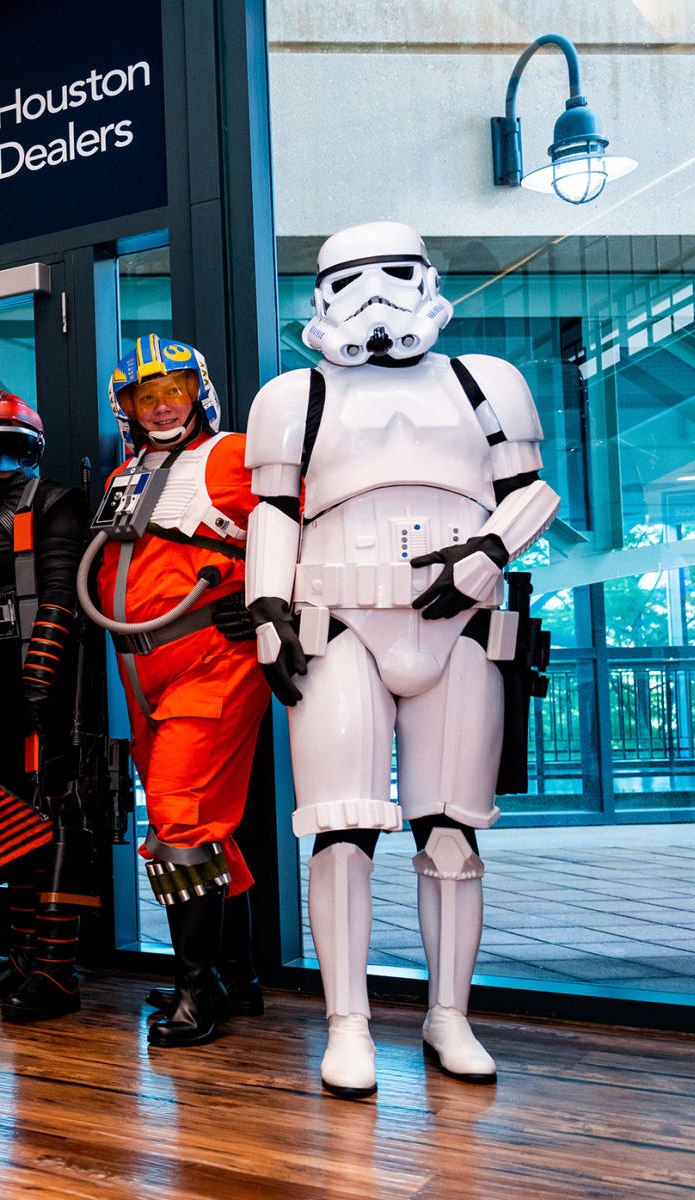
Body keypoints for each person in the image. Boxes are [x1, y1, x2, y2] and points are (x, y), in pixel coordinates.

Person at [244, 222, 557, 1098]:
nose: (376, 298)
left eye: (394, 276)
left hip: (458, 627)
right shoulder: (292, 397)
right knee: (340, 832)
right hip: (340, 621)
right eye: (354, 280)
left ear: (426, 281)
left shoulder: (483, 383)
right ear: (322, 295)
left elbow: (529, 491)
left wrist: (487, 554)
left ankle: (448, 1014)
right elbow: (271, 507)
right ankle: (348, 1022)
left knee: (450, 832)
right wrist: (267, 607)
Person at [75, 335, 266, 1049]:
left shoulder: (231, 455)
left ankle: (196, 991)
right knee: (200, 820)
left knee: (180, 818)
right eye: (143, 397)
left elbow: (299, 524)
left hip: (210, 657)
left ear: (200, 393)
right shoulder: (128, 472)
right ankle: (235, 974)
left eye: (174, 391)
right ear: (125, 408)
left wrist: (271, 596)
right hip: (140, 669)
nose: (160, 406)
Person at [0, 392, 99, 1022]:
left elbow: (63, 593)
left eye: (8, 441)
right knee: (6, 813)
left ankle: (58, 971)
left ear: (33, 446)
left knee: (51, 813)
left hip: (39, 678)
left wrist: (41, 680)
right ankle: (24, 956)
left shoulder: (54, 501)